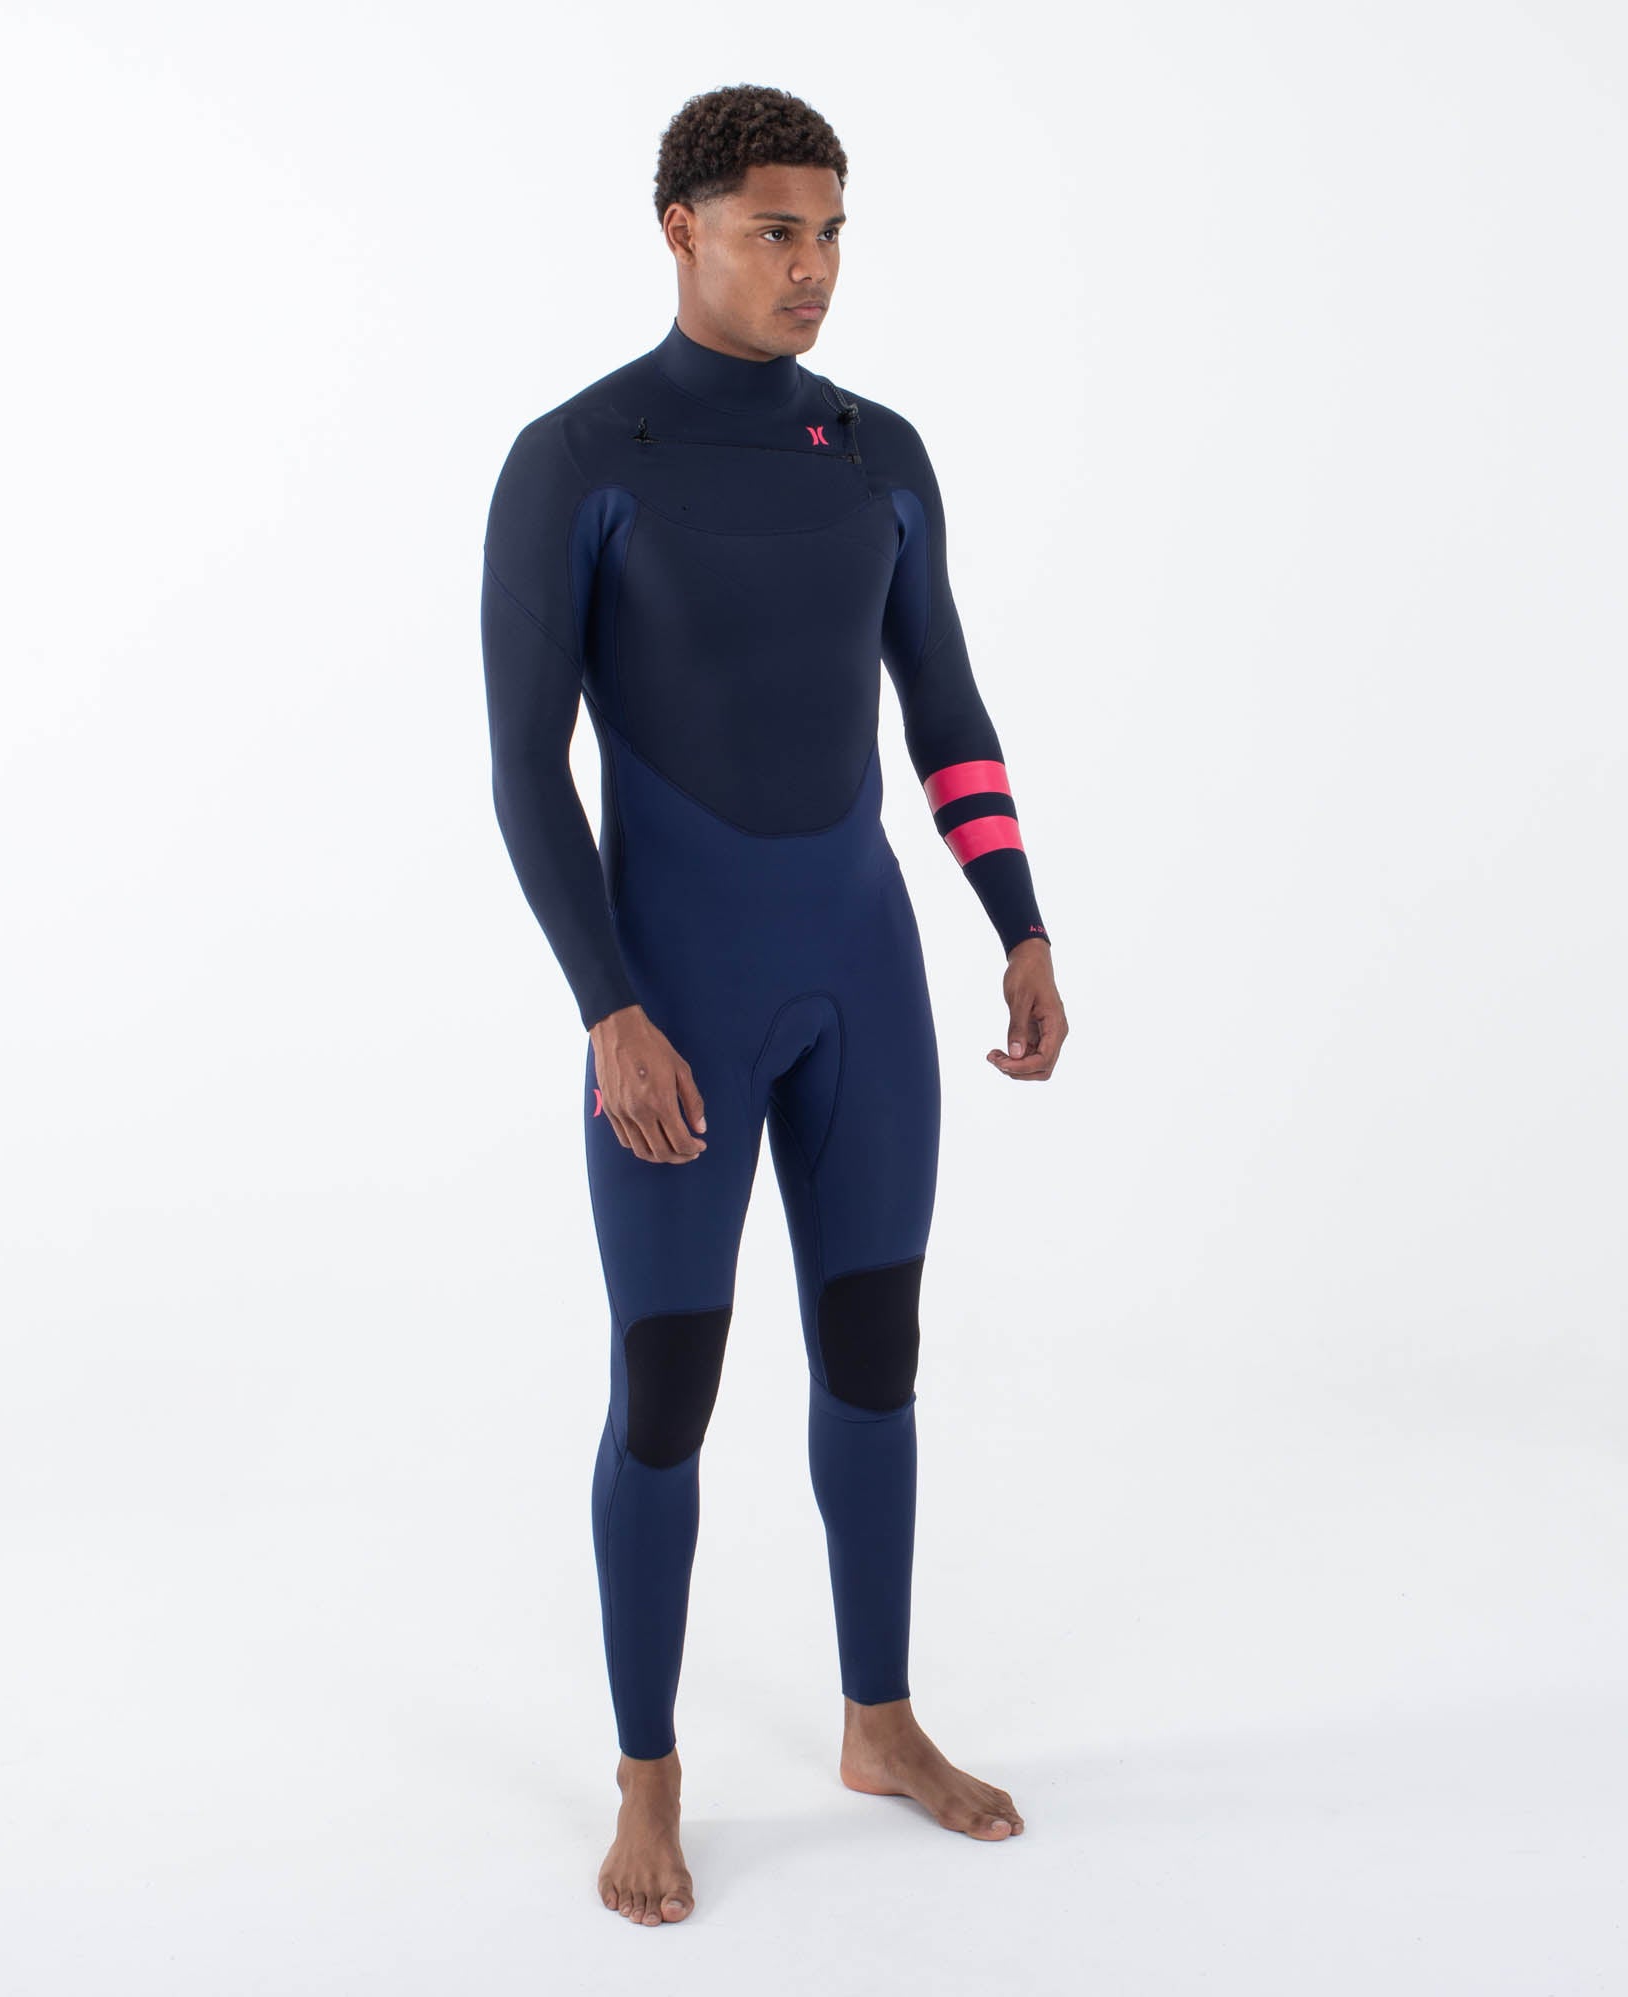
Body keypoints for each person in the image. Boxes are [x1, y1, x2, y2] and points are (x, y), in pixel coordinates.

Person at [480, 83, 1069, 1928]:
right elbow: (524, 771)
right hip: (676, 1000)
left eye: (830, 234)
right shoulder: (580, 458)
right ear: (682, 229)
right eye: (774, 231)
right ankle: (649, 1774)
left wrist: (1019, 923)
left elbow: (945, 709)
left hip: (861, 976)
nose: (813, 268)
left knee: (876, 1355)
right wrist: (609, 1008)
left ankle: (878, 1722)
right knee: (667, 1387)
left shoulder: (878, 452)